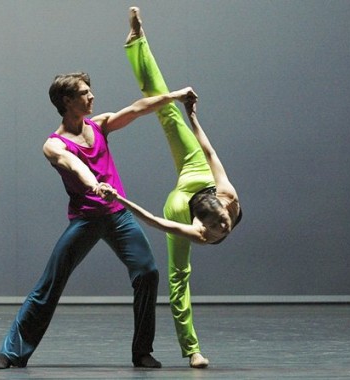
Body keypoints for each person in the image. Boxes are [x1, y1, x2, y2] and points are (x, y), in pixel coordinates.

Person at [0, 69, 197, 370]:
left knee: (147, 273)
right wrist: (94, 184)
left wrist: (175, 96)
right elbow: (74, 165)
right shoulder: (54, 144)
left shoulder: (99, 126)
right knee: (50, 283)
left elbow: (138, 109)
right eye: (85, 92)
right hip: (86, 220)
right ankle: (11, 352)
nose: (92, 96)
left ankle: (142, 352)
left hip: (118, 217)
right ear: (67, 100)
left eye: (90, 90)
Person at [103, 7, 243, 369]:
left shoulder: (228, 196)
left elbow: (208, 152)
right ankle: (137, 43)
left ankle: (191, 350)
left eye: (224, 224)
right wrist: (120, 199)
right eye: (218, 229)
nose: (224, 228)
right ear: (203, 228)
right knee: (180, 277)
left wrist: (194, 119)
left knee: (176, 116)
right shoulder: (193, 227)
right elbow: (155, 221)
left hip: (200, 174)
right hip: (182, 198)